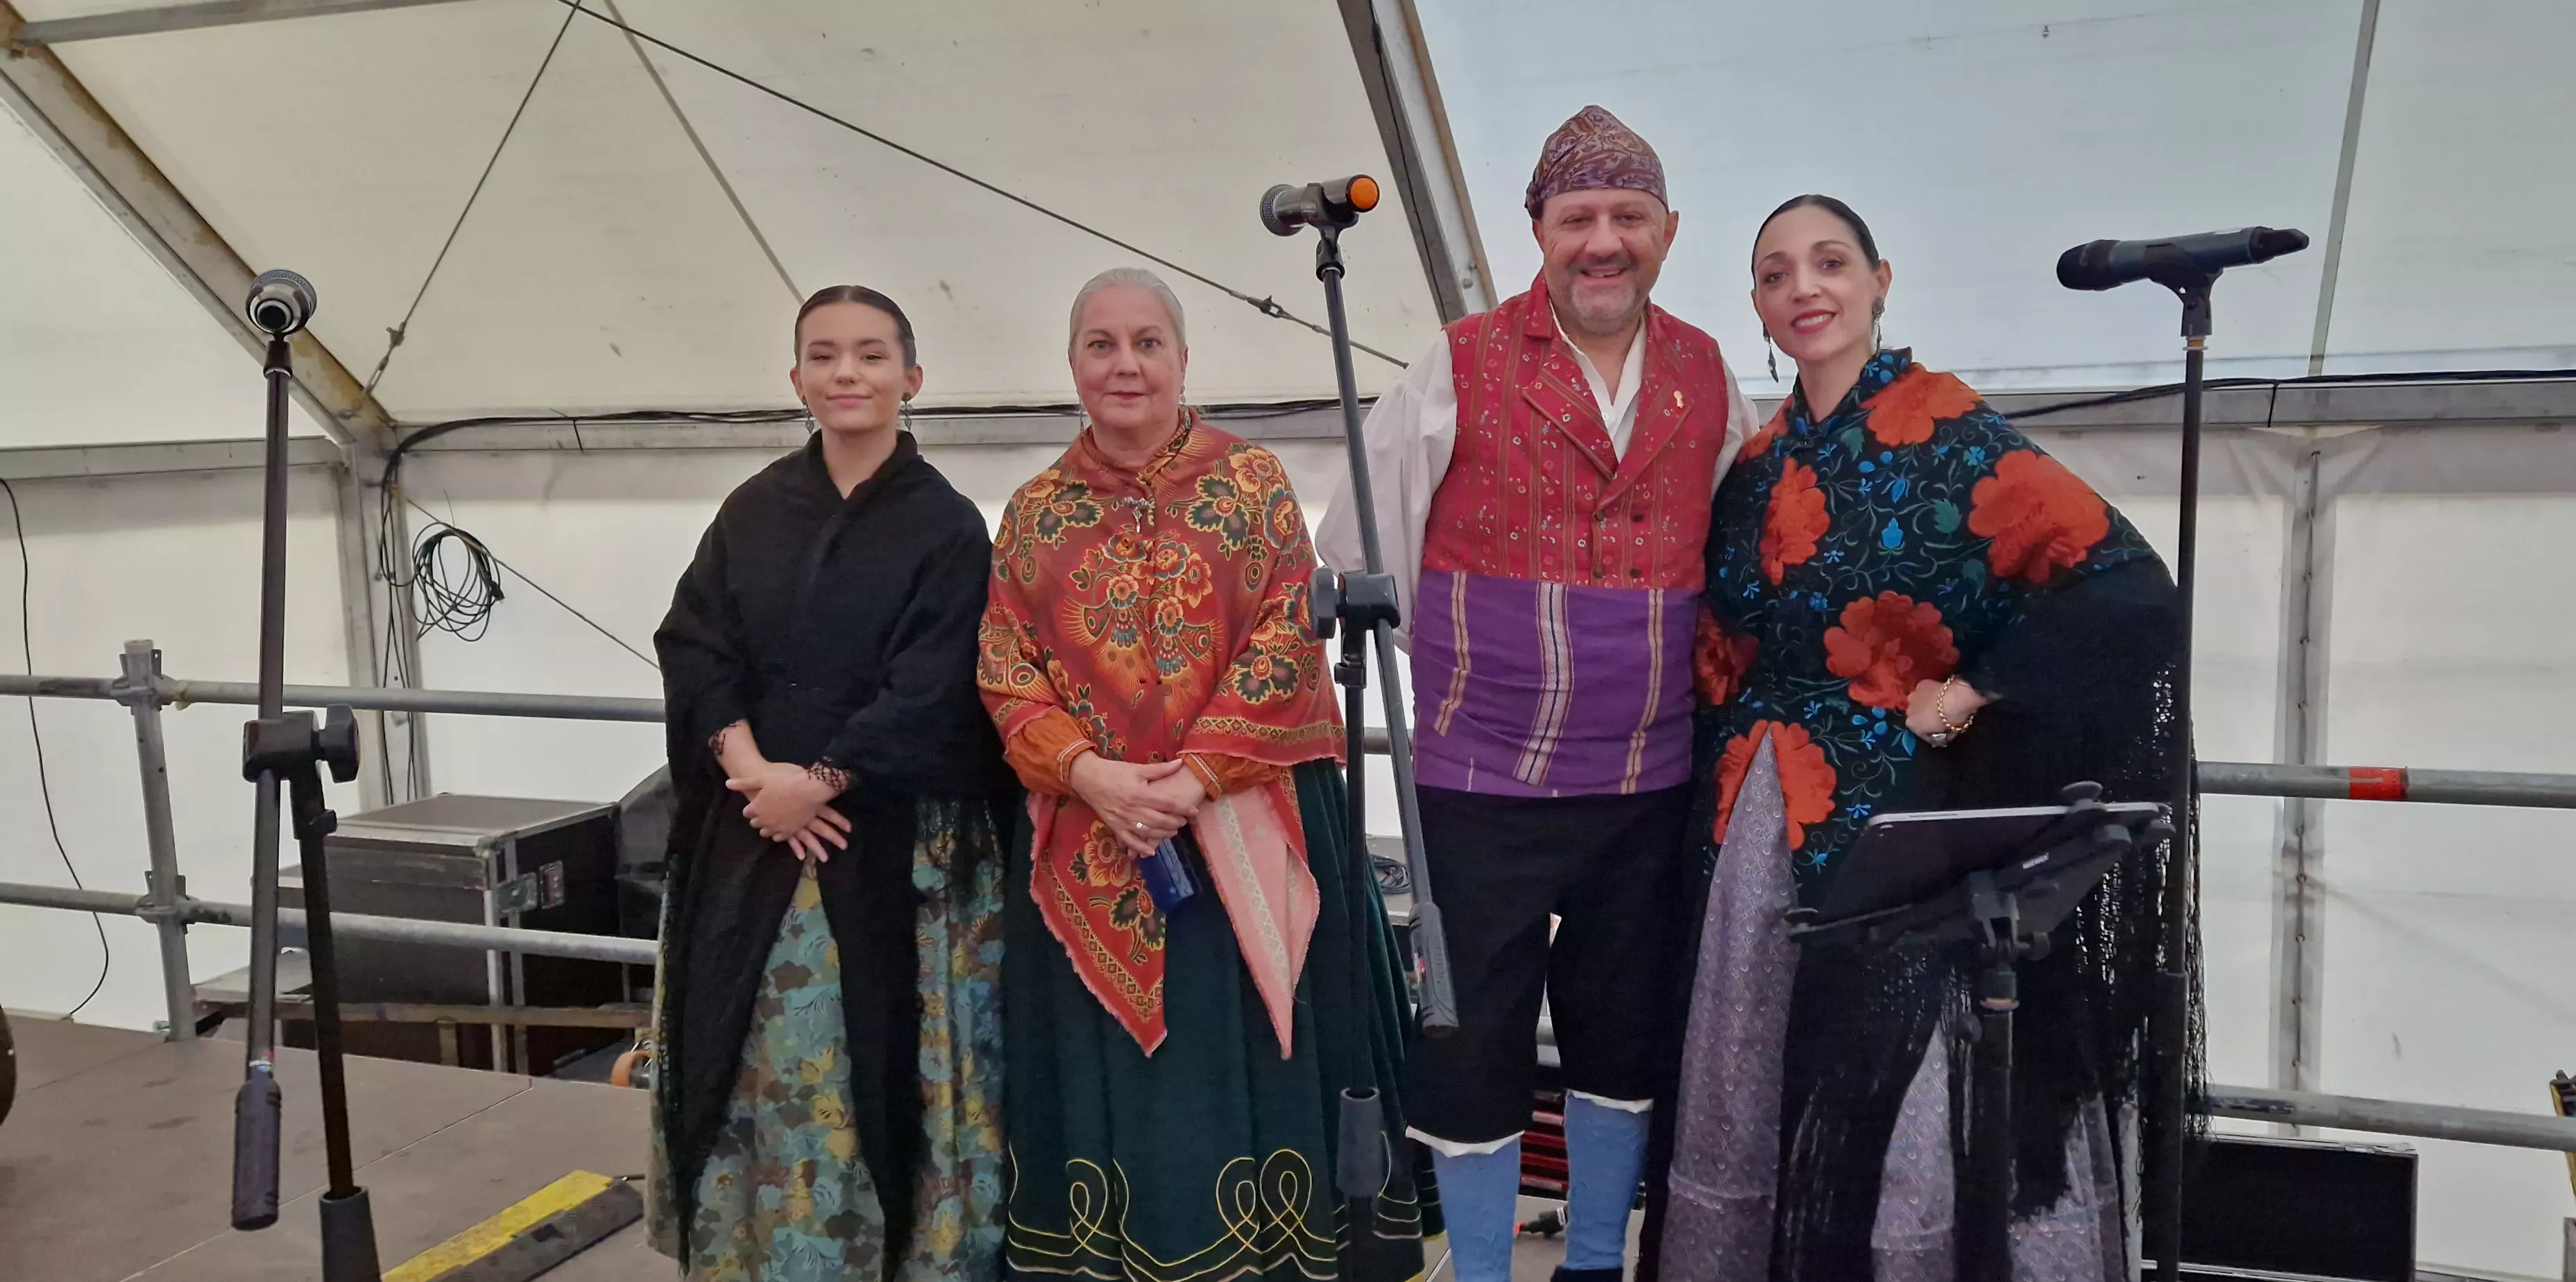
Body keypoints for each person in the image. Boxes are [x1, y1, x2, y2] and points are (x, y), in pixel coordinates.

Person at [1659, 196, 2187, 1282]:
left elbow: (2127, 592)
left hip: (1900, 825)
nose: (1804, 287)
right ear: (1757, 306)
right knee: (1746, 1095)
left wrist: (1975, 692)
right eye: (1775, 273)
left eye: (1829, 262)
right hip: (1754, 831)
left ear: (1880, 280)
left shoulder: (1953, 434)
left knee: (1903, 1120)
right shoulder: (1752, 464)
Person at [1314, 106, 1759, 1282]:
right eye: (1579, 219)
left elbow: (1745, 558)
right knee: (1472, 1045)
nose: (1602, 241)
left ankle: (1598, 1262)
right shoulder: (1454, 362)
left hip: (1647, 785)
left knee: (1626, 1034)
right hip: (1479, 783)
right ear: (1537, 232)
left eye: (1628, 218)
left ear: (1668, 233)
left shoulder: (1713, 374)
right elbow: (1365, 550)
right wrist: (1490, 662)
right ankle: (1478, 1268)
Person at [980, 268, 1429, 1281]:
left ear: (1186, 361)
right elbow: (1007, 670)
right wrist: (1090, 775)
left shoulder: (1253, 482)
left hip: (1243, 828)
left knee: (1247, 1063)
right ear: (1073, 364)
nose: (1125, 363)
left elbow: (1287, 634)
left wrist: (1192, 779)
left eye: (1148, 342)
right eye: (1101, 344)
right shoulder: (1034, 515)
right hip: (1090, 839)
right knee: (1123, 1081)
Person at [649, 285, 1014, 1281]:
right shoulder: (754, 508)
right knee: (756, 1058)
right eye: (824, 356)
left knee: (875, 1063)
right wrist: (751, 770)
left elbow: (936, 679)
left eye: (870, 355)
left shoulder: (945, 526)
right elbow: (696, 643)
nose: (846, 374)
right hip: (753, 827)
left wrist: (821, 781)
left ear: (912, 378)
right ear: (797, 377)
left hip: (892, 847)